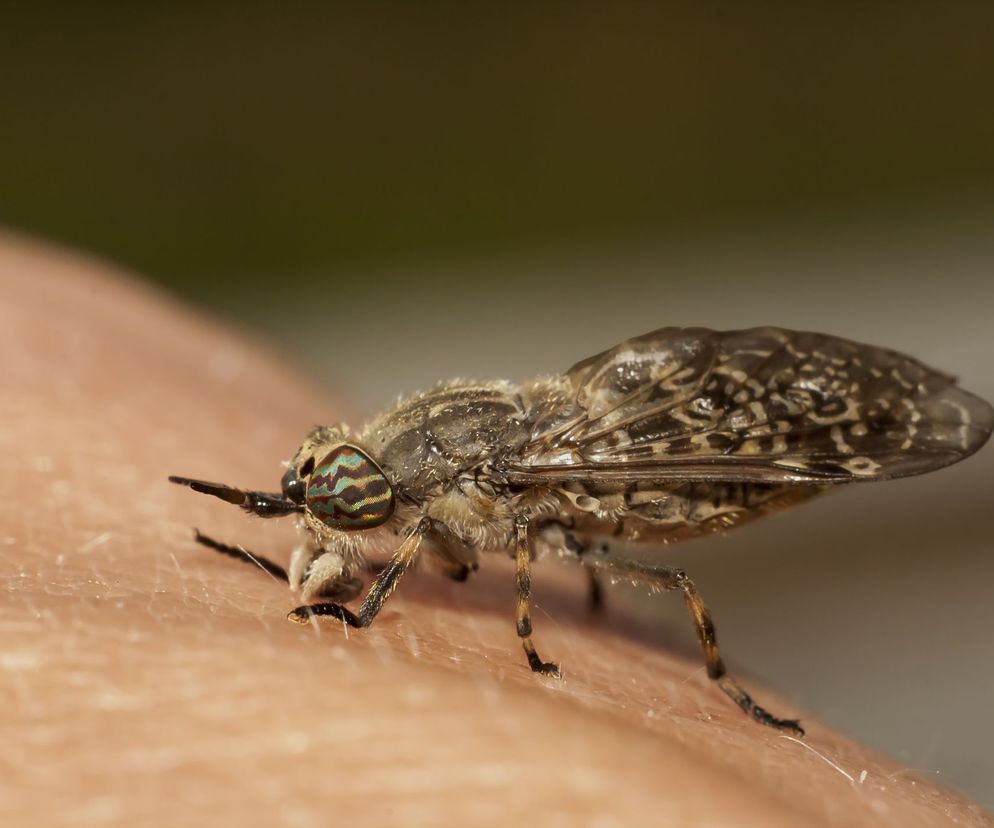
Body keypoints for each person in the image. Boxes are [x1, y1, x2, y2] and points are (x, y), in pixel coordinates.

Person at [2, 232, 989, 827]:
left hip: (626, 474)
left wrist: (525, 631)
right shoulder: (418, 475)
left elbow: (498, 532)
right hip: (554, 450)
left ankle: (726, 687)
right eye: (323, 486)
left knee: (675, 585)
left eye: (332, 491)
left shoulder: (452, 487)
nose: (326, 503)